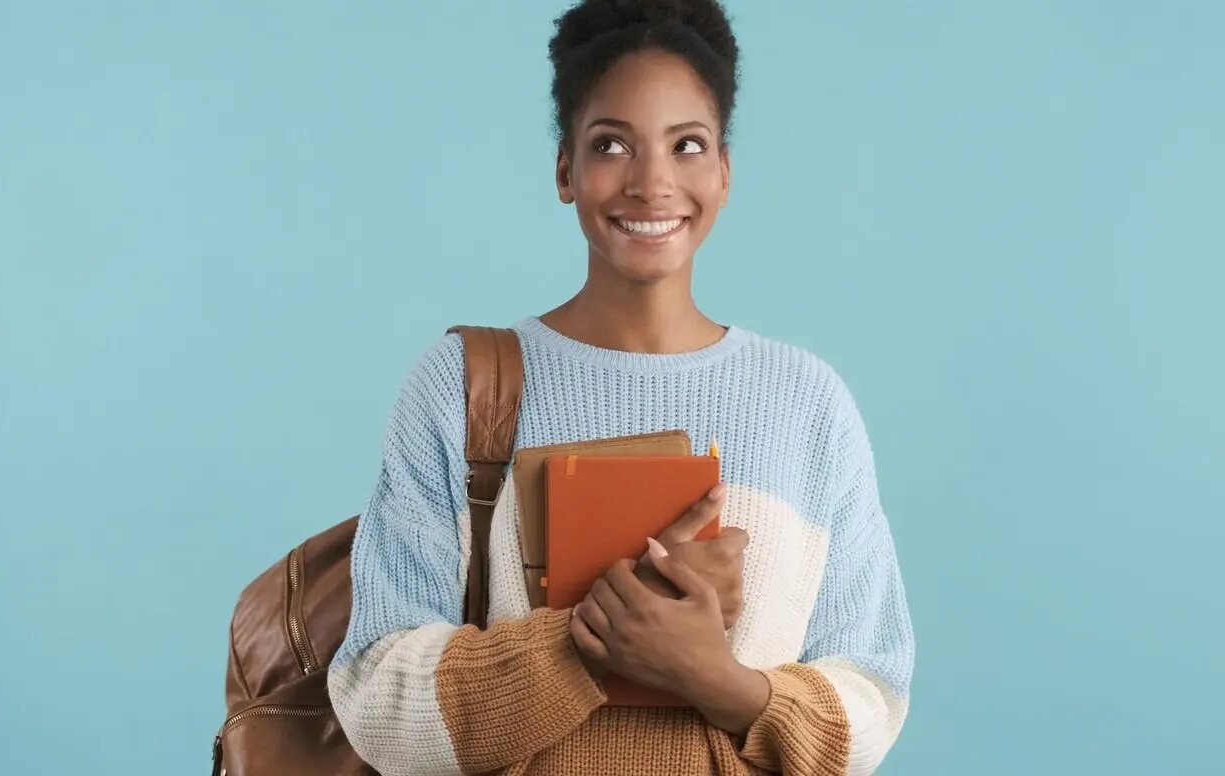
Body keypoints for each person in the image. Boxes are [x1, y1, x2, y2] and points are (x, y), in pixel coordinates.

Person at [328, 0, 915, 773]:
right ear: (565, 169)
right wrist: (598, 637)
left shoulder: (809, 404)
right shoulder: (462, 388)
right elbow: (375, 695)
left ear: (725, 172)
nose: (652, 183)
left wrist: (712, 677)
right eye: (611, 144)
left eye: (686, 145)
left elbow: (873, 696)